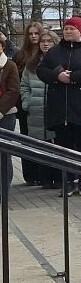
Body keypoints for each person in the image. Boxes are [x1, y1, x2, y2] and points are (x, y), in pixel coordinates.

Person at [37, 17, 81, 197]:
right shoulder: (55, 51)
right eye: (66, 28)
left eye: (72, 29)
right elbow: (41, 70)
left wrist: (74, 77)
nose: (68, 32)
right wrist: (57, 75)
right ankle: (67, 181)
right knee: (63, 146)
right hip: (61, 108)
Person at [20, 29, 59, 188]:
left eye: (49, 41)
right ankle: (44, 178)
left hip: (54, 110)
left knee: (55, 144)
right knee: (39, 145)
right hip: (35, 111)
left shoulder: (61, 61)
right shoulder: (32, 63)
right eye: (43, 41)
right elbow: (24, 85)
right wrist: (27, 102)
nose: (46, 44)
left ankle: (58, 178)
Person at [14, 21, 44, 185]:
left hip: (43, 105)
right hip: (26, 103)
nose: (33, 36)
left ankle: (43, 173)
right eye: (30, 34)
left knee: (43, 140)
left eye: (36, 33)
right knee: (26, 139)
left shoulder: (47, 53)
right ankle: (30, 175)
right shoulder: (20, 56)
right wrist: (25, 101)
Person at [0, 40, 19, 192]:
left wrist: (0, 110)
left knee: (4, 152)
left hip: (5, 115)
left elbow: (13, 91)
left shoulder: (9, 66)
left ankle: (4, 187)